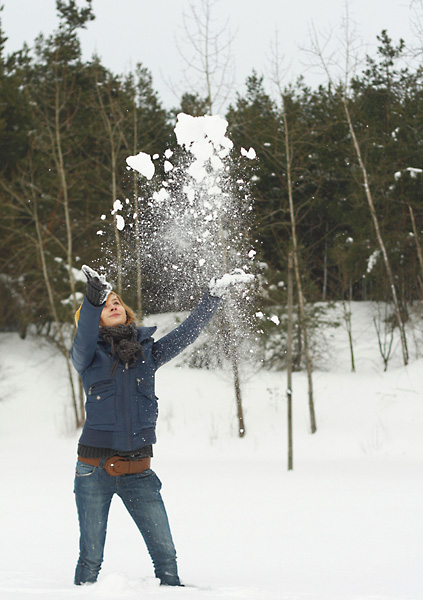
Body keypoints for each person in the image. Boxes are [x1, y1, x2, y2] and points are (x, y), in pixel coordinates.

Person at [71, 264, 252, 586]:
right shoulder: (87, 355)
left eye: (116, 302)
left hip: (139, 470)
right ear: (96, 316)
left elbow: (187, 334)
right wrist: (93, 299)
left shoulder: (147, 353)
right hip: (93, 470)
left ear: (126, 313)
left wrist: (212, 297)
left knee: (166, 555)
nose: (113, 304)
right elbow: (84, 333)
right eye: (106, 303)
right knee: (91, 557)